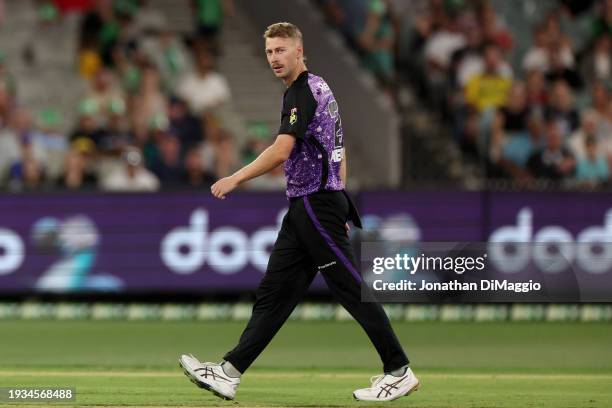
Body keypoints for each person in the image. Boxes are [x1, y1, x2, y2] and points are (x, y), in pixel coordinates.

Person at [179, 22, 418, 402]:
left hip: (315, 204)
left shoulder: (302, 92)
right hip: (309, 205)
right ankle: (228, 372)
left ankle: (399, 370)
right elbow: (339, 147)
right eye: (270, 51)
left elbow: (281, 151)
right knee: (275, 293)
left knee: (350, 288)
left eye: (281, 50)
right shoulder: (319, 87)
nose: (274, 57)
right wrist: (338, 192)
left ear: (299, 51)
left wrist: (235, 178)